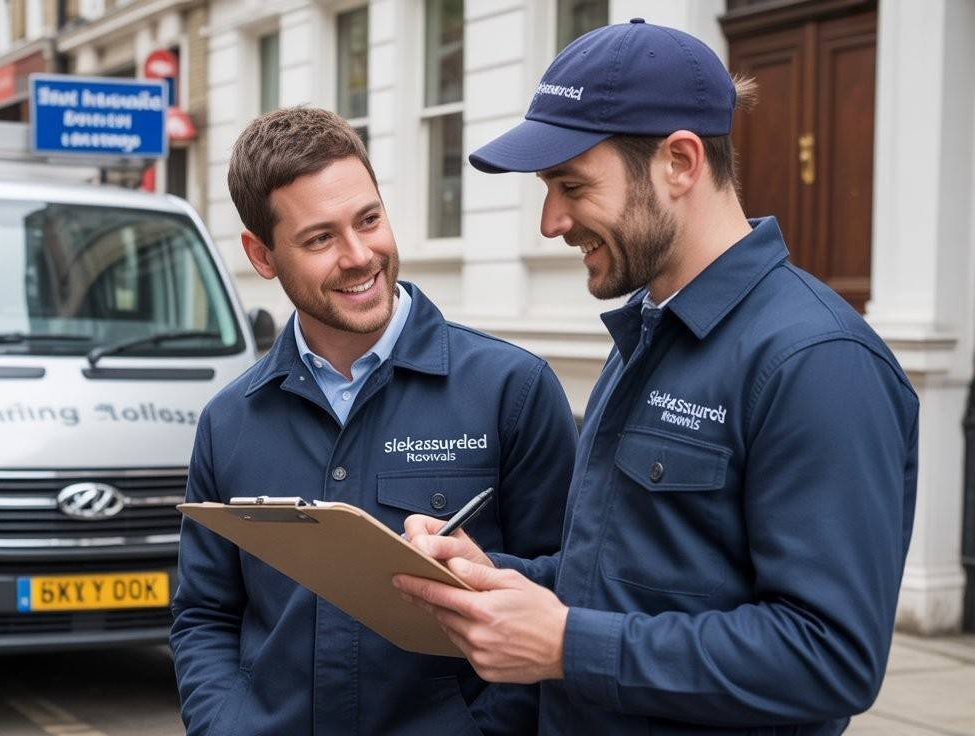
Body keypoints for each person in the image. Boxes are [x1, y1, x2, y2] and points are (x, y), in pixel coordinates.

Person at [394, 18, 919, 735]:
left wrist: (566, 645)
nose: (551, 222)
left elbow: (829, 657)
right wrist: (493, 577)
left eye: (571, 184)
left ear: (679, 161)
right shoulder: (645, 333)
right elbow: (619, 583)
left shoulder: (818, 363)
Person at [169, 107, 578, 735]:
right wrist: (225, 725)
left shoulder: (512, 391)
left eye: (369, 219)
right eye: (319, 238)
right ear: (262, 254)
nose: (360, 256)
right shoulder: (230, 421)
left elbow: (569, 591)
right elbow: (205, 615)